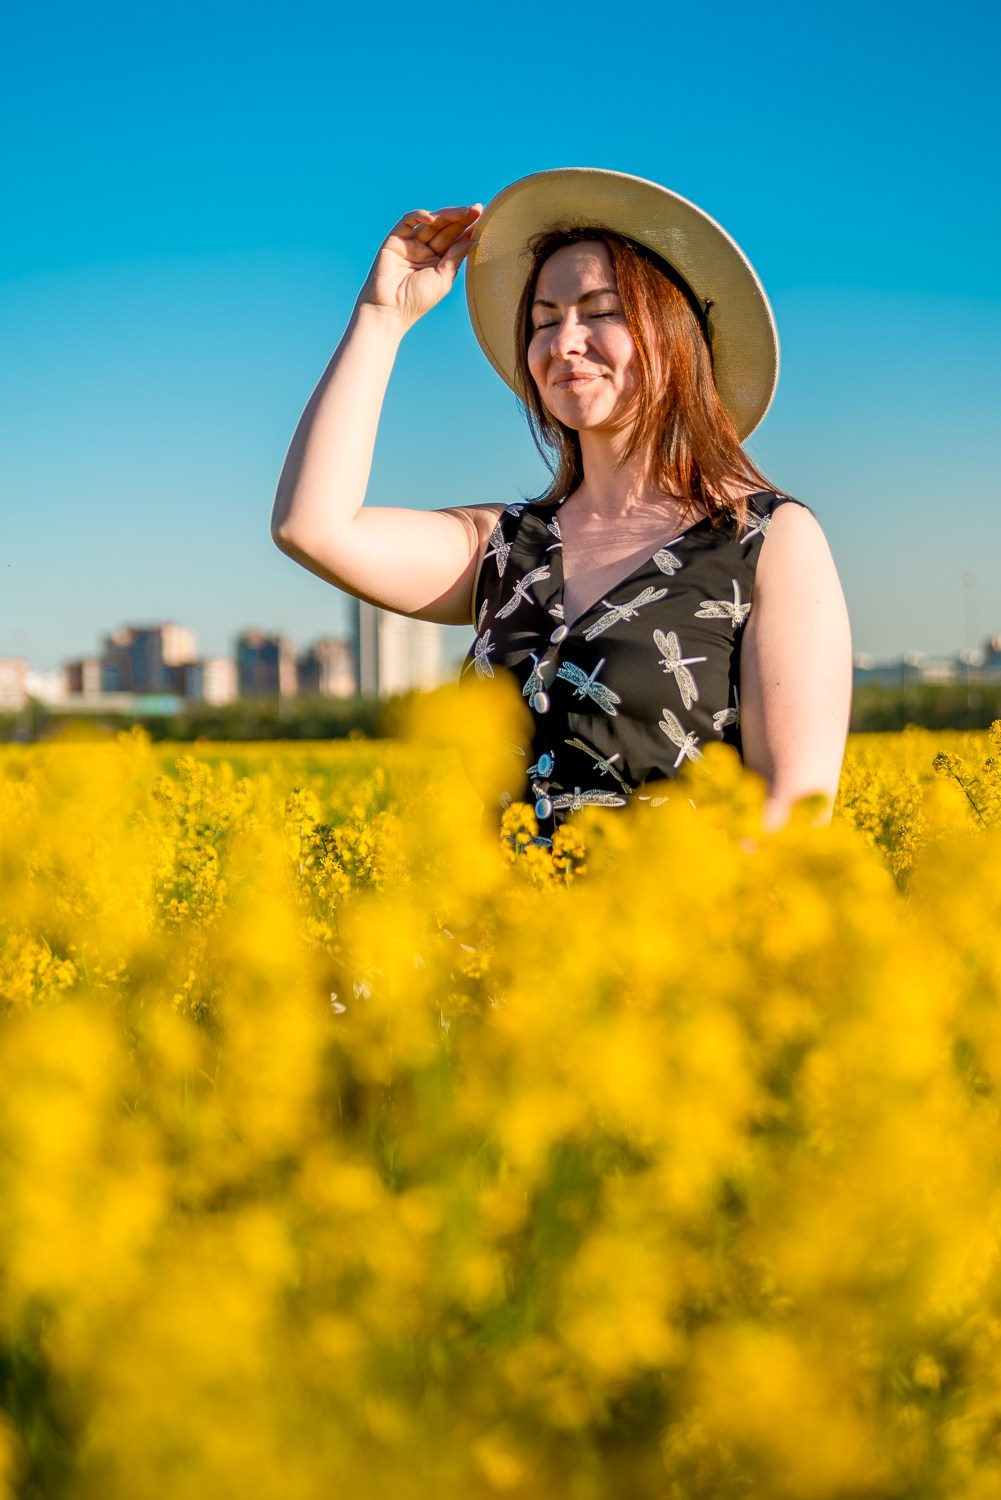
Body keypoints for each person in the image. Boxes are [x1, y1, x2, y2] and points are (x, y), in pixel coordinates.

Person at [272, 168, 852, 837]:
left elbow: (791, 816)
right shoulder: (503, 547)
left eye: (601, 312)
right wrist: (380, 319)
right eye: (544, 321)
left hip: (674, 935)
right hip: (497, 940)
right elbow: (310, 526)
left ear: (675, 335)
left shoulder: (763, 539)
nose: (564, 342)